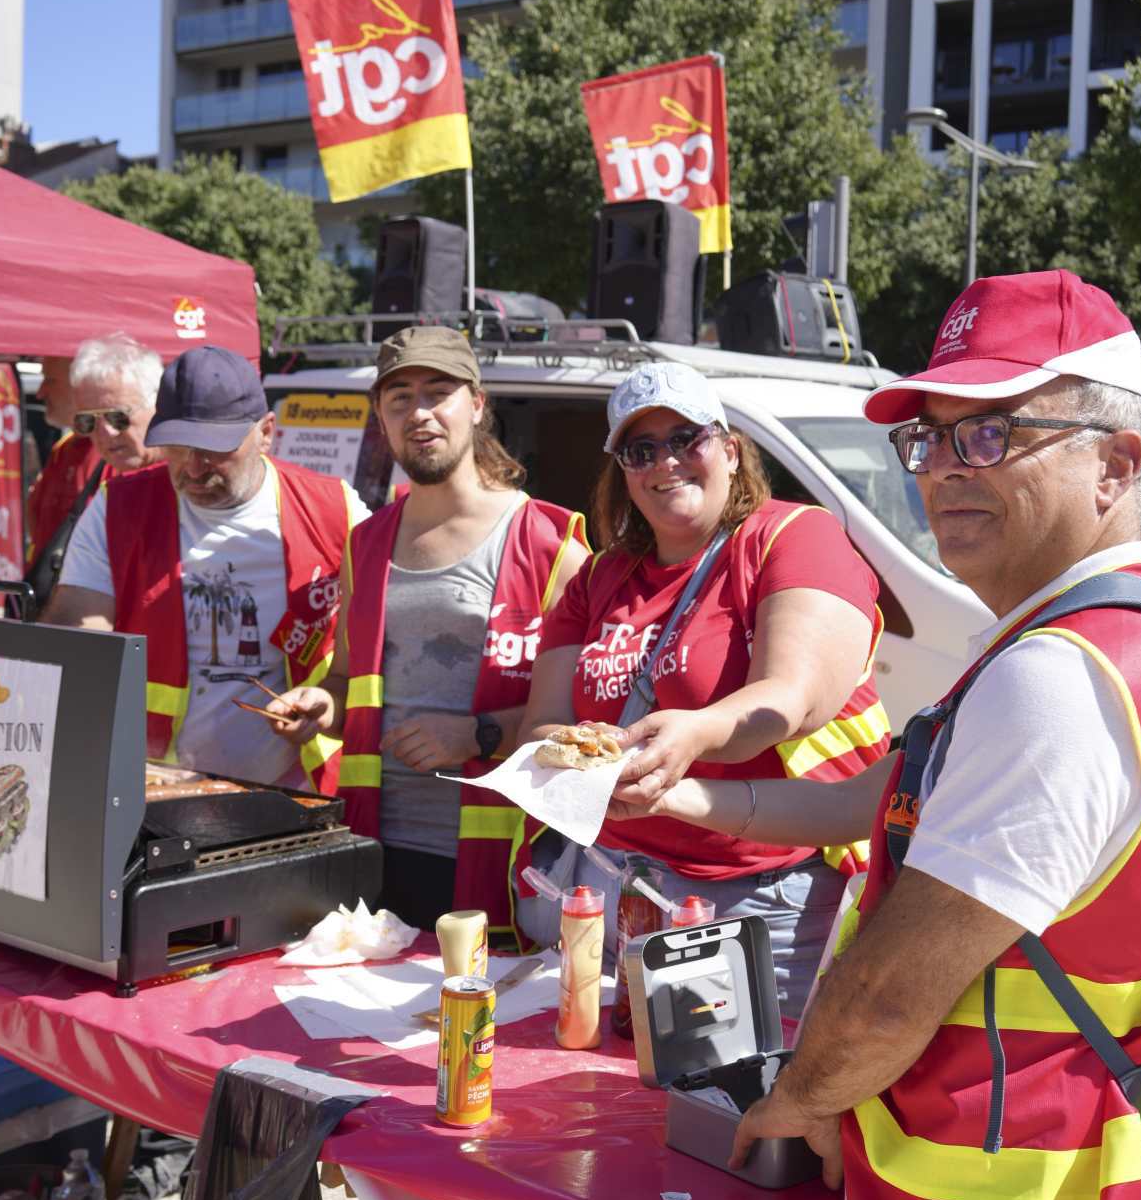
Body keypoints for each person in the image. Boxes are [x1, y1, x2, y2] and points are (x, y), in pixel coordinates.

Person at [629, 271, 1141, 1200]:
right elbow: (878, 806)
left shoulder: (1058, 676)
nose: (943, 473)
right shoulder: (1093, 645)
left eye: (992, 434)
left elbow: (882, 998)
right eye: (933, 440)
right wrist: (688, 791)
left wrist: (793, 1104)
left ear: (1116, 462)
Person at [518, 361, 890, 1012]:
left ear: (730, 449)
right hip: (607, 891)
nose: (667, 463)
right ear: (624, 472)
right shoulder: (598, 577)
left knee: (731, 1106)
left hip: (757, 905)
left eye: (687, 438)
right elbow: (541, 728)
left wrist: (696, 731)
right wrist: (589, 746)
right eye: (641, 449)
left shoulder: (790, 536)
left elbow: (793, 697)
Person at [265, 325, 590, 941]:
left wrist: (475, 733)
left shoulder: (551, 545)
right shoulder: (366, 544)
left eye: (437, 392)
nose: (419, 412)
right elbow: (345, 681)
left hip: (504, 866)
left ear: (476, 404)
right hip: (373, 851)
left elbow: (590, 723)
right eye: (399, 398)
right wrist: (320, 704)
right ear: (381, 420)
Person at [44, 345, 367, 789]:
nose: (194, 468)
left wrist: (331, 700)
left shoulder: (335, 508)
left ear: (267, 432)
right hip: (159, 788)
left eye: (215, 448)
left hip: (302, 791)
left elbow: (377, 653)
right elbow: (78, 632)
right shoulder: (118, 507)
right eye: (177, 446)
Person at [26, 337, 162, 574]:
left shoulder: (188, 475)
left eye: (117, 416)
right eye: (88, 420)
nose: (105, 432)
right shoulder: (70, 453)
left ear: (157, 404)